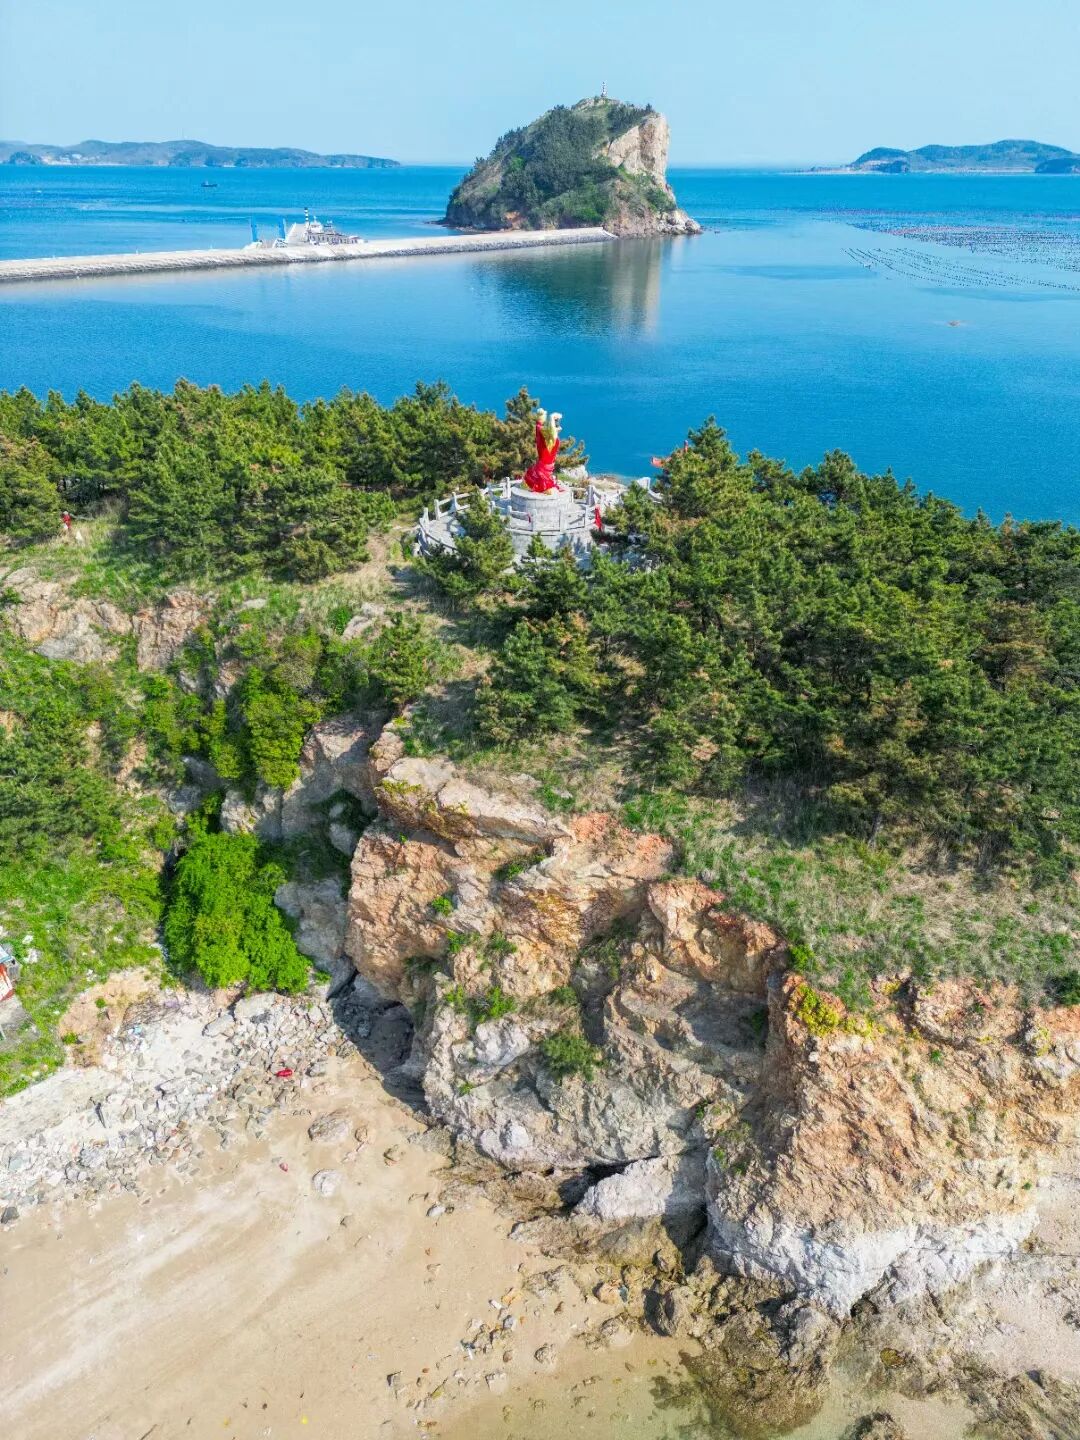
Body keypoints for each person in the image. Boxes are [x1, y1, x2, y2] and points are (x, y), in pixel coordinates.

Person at [522, 409, 564, 493]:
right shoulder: (543, 432)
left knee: (543, 475)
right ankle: (543, 487)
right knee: (545, 484)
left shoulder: (544, 431)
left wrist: (551, 422)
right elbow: (550, 432)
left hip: (547, 462)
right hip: (545, 463)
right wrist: (551, 417)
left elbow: (549, 431)